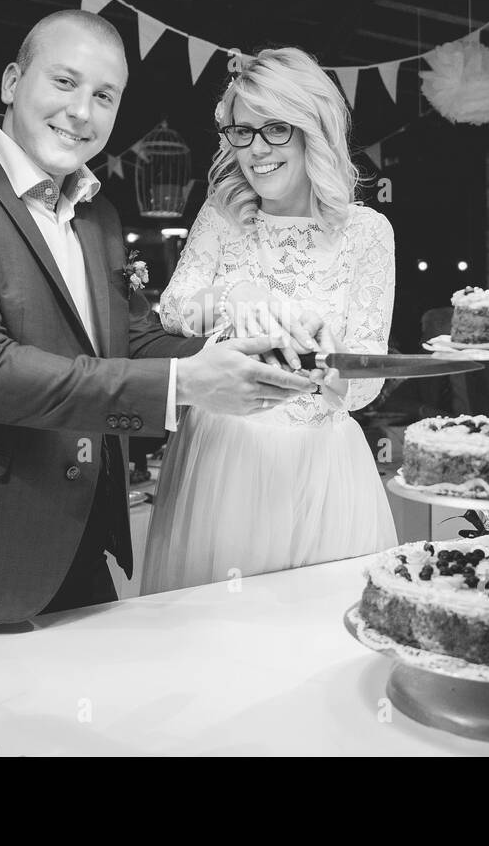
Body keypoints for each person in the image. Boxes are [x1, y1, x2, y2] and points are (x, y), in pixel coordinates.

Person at [0, 10, 315, 624]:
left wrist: (239, 353)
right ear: (11, 82)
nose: (81, 112)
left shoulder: (96, 213)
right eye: (64, 83)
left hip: (78, 546)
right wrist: (185, 385)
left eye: (104, 96)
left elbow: (128, 339)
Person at [142, 47, 398, 593]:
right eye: (242, 132)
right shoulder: (222, 213)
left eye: (274, 130)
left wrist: (337, 369)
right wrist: (238, 297)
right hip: (223, 457)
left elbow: (369, 377)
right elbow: (172, 310)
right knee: (218, 640)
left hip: (324, 466)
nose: (255, 151)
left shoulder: (367, 232)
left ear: (314, 129)